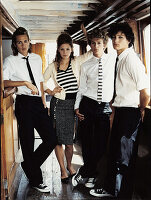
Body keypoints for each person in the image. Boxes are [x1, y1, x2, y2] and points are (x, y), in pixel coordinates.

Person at [89, 22, 150, 199]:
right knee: (115, 153)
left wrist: (141, 109)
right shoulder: (120, 57)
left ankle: (121, 195)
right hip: (121, 111)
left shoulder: (131, 60)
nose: (116, 40)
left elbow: (145, 91)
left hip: (131, 112)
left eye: (120, 37)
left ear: (129, 40)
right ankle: (111, 189)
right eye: (114, 37)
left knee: (124, 158)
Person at [3, 27, 57, 193]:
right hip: (24, 103)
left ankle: (29, 164)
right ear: (15, 44)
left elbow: (40, 81)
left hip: (38, 103)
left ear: (29, 42)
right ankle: (36, 180)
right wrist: (24, 83)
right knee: (28, 142)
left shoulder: (36, 58)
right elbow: (4, 82)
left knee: (51, 138)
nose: (23, 45)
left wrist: (43, 103)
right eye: (19, 42)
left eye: (25, 41)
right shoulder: (10, 61)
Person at [43, 24, 93, 183]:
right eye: (62, 49)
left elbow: (92, 51)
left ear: (72, 50)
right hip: (59, 104)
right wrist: (50, 91)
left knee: (70, 141)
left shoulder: (77, 61)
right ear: (58, 50)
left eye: (68, 49)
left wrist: (86, 35)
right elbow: (41, 82)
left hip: (75, 104)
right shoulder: (53, 66)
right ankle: (63, 170)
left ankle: (70, 165)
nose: (65, 52)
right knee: (58, 139)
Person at [72, 28, 116, 188]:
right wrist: (77, 108)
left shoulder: (113, 60)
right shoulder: (85, 65)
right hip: (87, 105)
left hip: (104, 107)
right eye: (93, 43)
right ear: (90, 44)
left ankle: (85, 171)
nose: (96, 46)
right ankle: (91, 175)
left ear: (104, 44)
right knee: (87, 142)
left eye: (99, 43)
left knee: (101, 144)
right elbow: (81, 88)